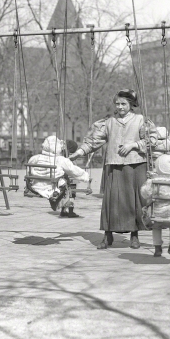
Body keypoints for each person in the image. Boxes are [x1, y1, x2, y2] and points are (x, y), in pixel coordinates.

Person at [70, 89, 157, 249]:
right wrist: (79, 153)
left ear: (131, 105)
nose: (120, 107)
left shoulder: (140, 120)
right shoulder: (109, 122)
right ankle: (107, 235)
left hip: (136, 165)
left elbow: (152, 139)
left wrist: (134, 145)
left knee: (134, 201)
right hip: (114, 165)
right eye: (117, 104)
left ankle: (134, 235)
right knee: (111, 201)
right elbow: (93, 142)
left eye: (124, 104)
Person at [141, 127, 170, 258]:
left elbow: (145, 193)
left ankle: (157, 247)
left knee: (157, 225)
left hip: (159, 210)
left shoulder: (156, 173)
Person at [27, 136, 89, 217]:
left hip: (36, 186)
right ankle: (68, 209)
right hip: (53, 187)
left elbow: (28, 172)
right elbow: (73, 170)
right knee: (67, 185)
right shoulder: (60, 159)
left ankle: (63, 208)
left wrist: (29, 184)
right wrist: (86, 176)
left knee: (63, 181)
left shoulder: (34, 158)